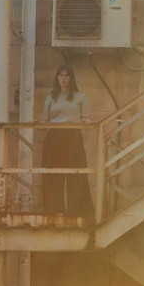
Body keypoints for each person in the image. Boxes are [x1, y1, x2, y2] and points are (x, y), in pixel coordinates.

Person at [41, 64, 94, 218]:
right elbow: (45, 119)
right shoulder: (51, 97)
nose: (64, 78)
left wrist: (87, 121)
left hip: (73, 137)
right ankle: (53, 211)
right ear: (57, 78)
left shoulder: (80, 96)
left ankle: (78, 211)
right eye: (61, 75)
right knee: (54, 174)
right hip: (54, 137)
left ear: (71, 78)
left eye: (67, 75)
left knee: (76, 173)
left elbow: (85, 117)